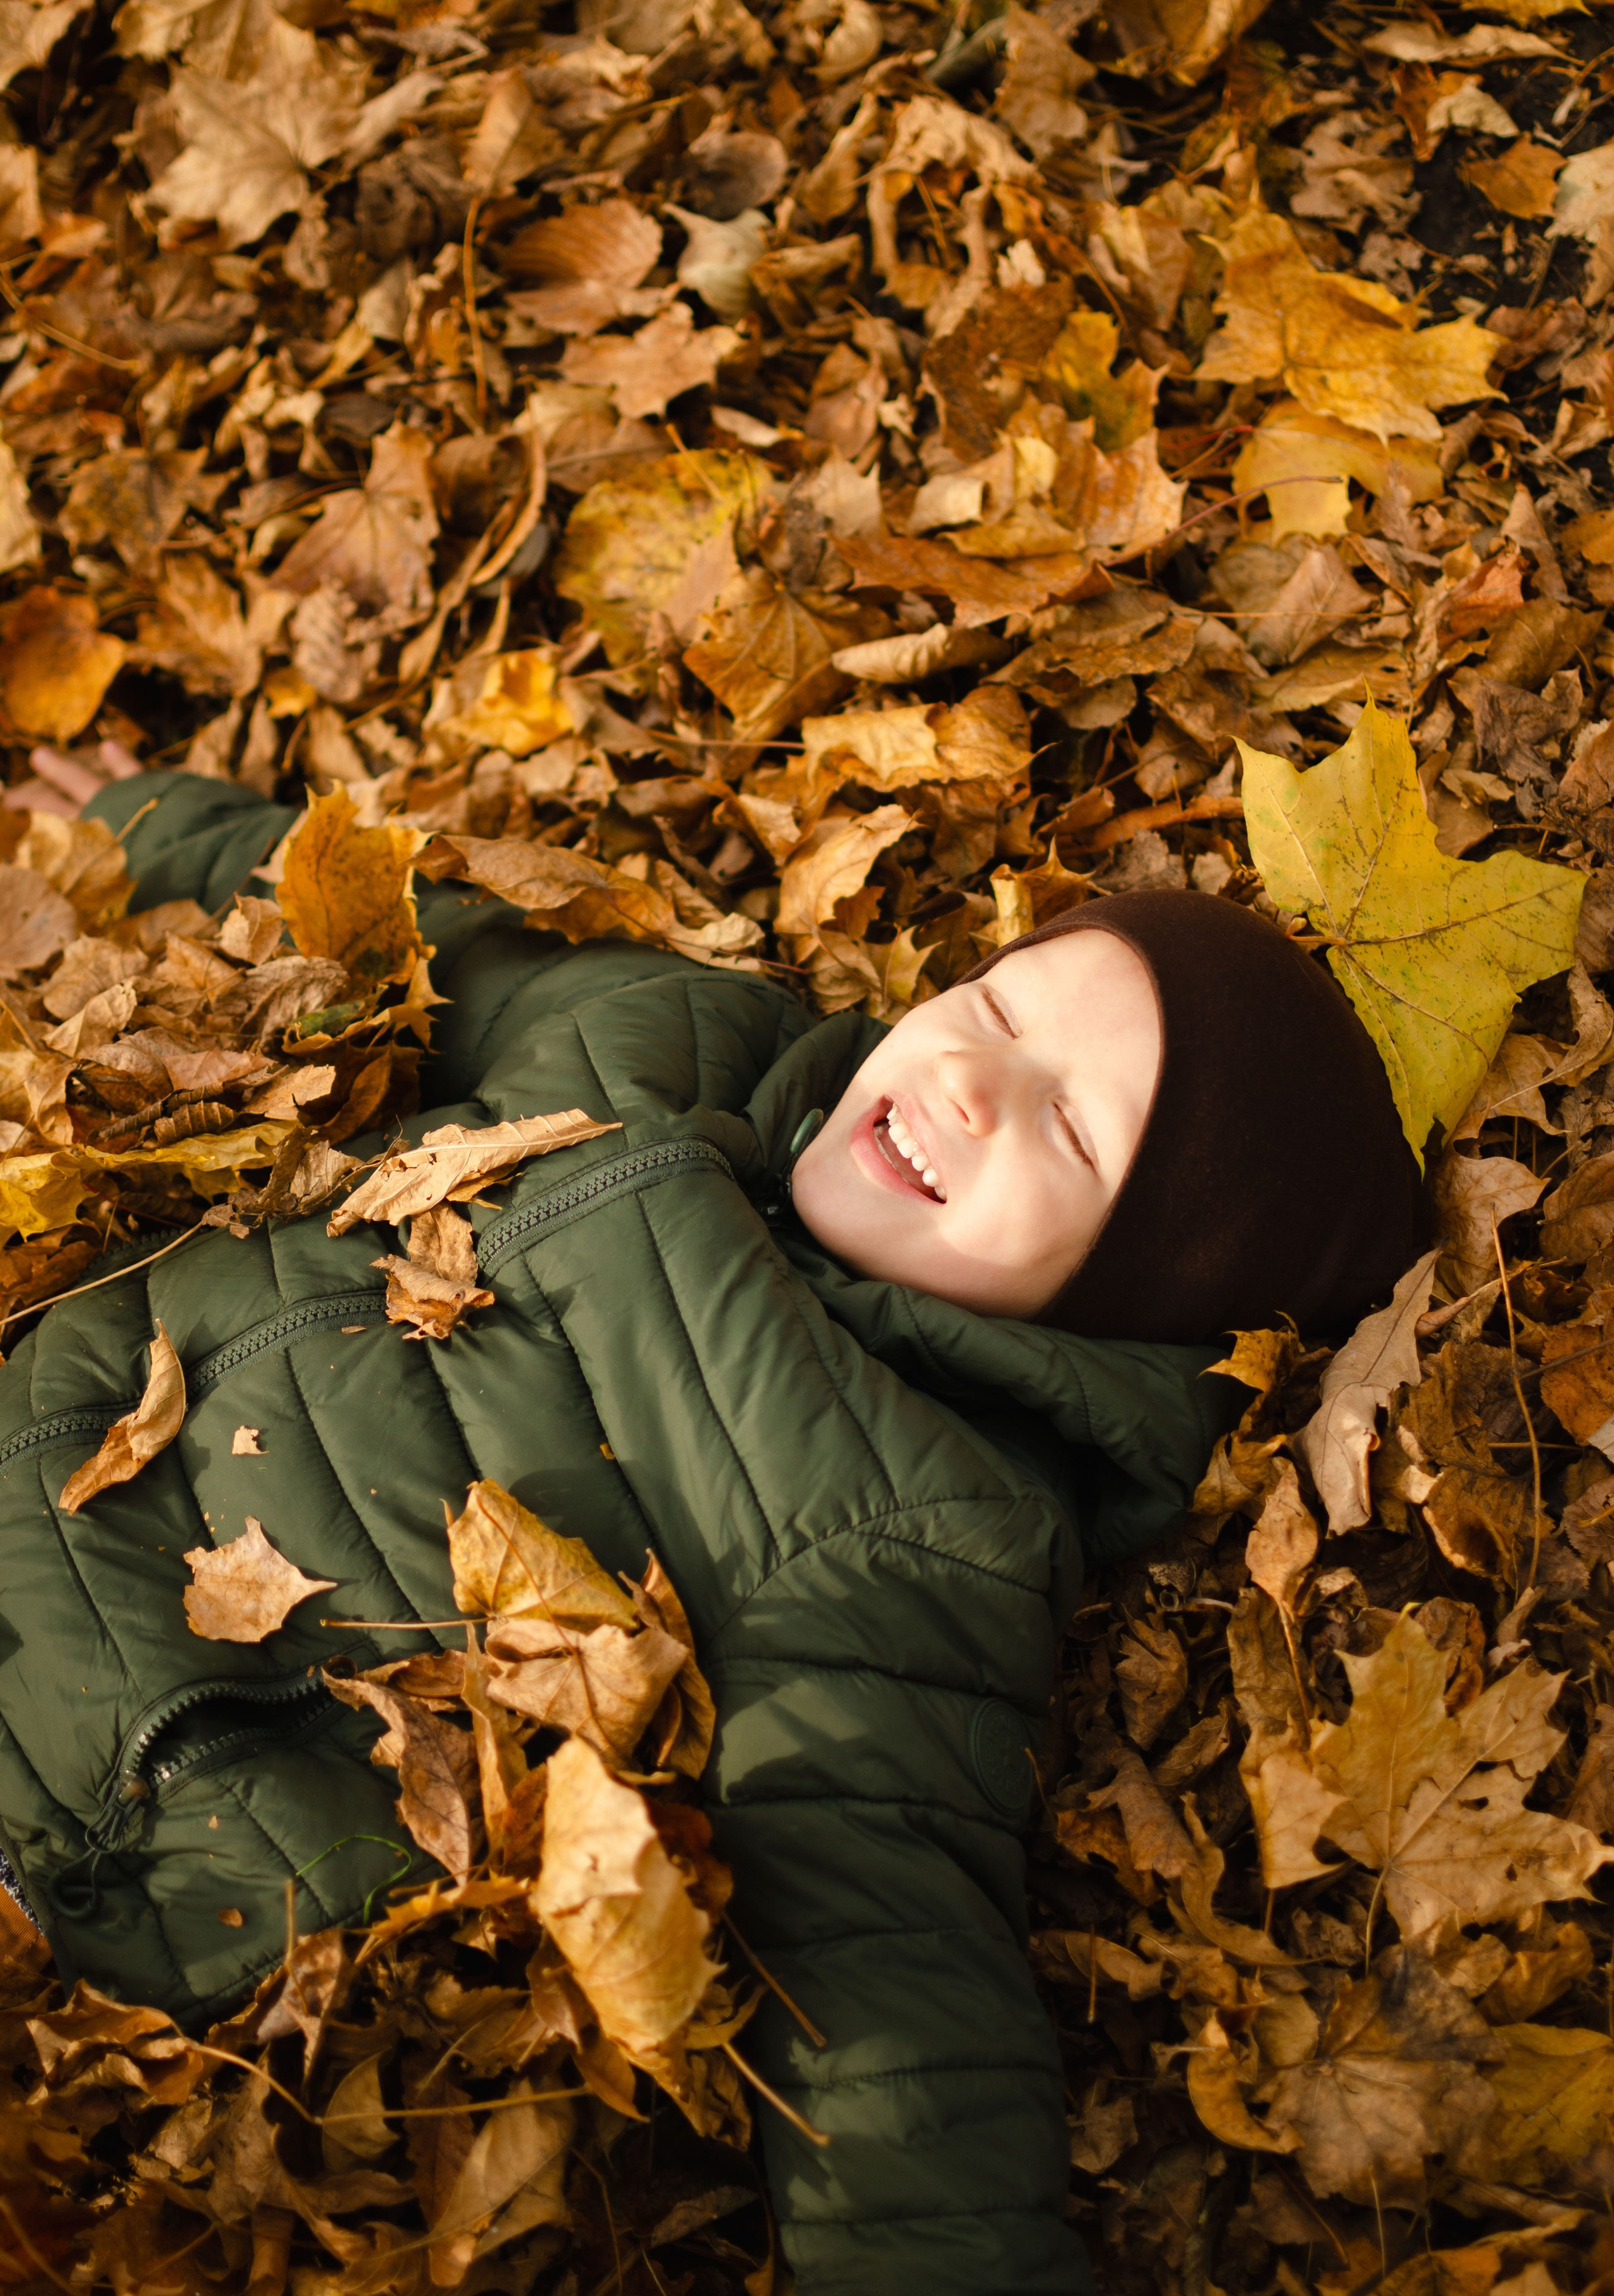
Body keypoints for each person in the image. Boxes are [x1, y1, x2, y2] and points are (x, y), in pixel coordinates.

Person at [0, 756, 1420, 2296]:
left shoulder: (911, 1525)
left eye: (1070, 1135)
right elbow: (429, 935)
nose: (969, 1083)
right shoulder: (684, 1032)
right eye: (1003, 1014)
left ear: (1117, 1295)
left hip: (84, 1822)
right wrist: (153, 828)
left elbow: (895, 2005)